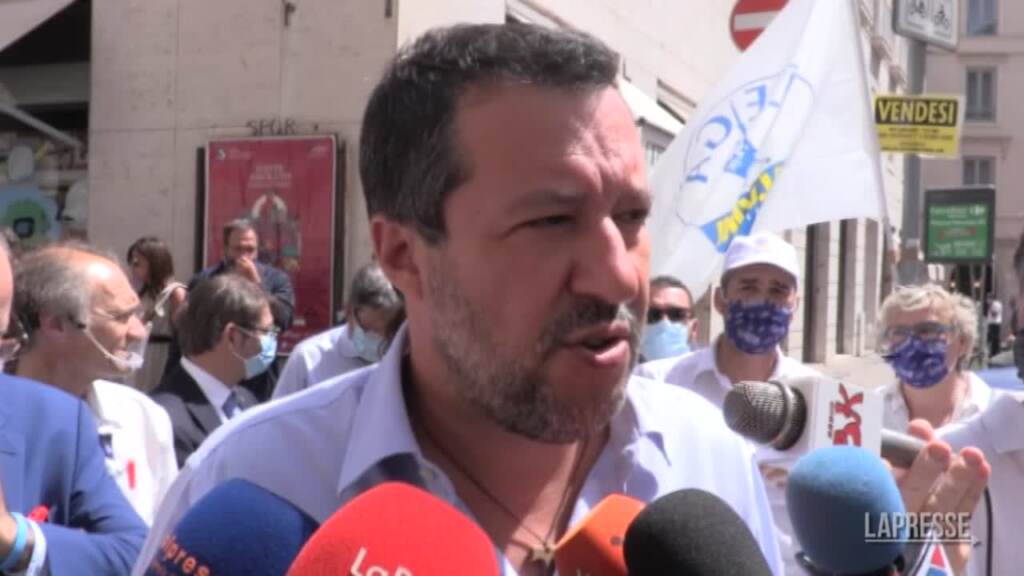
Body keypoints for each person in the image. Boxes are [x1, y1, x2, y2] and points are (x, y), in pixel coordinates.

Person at [137, 24, 785, 576]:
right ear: (401, 254)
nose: (618, 277)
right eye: (551, 221)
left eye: (632, 217)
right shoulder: (254, 483)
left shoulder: (707, 459)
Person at [0, 236, 147, 574]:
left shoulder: (58, 422)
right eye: (119, 316)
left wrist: (16, 541)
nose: (138, 332)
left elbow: (137, 553)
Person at [12, 243, 178, 525]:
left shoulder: (143, 418)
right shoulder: (10, 419)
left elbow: (163, 534)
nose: (138, 332)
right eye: (121, 317)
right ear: (55, 323)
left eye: (136, 315)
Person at [169, 218, 294, 402]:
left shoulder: (276, 280)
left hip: (257, 373)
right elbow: (189, 330)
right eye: (238, 249)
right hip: (214, 370)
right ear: (225, 249)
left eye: (250, 249)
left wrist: (256, 285)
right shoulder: (205, 280)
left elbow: (284, 319)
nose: (244, 256)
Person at [151, 274, 270, 466]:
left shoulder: (246, 400)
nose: (272, 342)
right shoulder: (164, 418)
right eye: (266, 332)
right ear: (233, 336)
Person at [272, 261, 402, 399]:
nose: (380, 340)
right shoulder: (308, 359)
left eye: (390, 332)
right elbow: (279, 411)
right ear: (348, 311)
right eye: (371, 330)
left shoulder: (406, 358)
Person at [878, 284, 994, 432]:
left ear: (962, 342)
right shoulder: (864, 411)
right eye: (899, 332)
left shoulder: (994, 413)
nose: (912, 342)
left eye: (927, 331)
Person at [126, 236, 187, 392]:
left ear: (154, 263)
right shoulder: (141, 293)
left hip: (161, 357)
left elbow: (184, 336)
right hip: (139, 355)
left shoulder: (175, 293)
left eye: (137, 263)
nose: (132, 267)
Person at [638, 275, 698, 363]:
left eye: (676, 314)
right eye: (652, 314)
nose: (664, 323)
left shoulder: (709, 371)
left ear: (694, 328)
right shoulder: (619, 370)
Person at [985, 293, 1003, 358]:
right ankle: (992, 353)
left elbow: (994, 314)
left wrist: (990, 306)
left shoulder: (996, 304)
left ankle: (994, 353)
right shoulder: (992, 304)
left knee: (994, 339)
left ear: (992, 298)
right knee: (990, 339)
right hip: (991, 324)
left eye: (988, 298)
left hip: (995, 324)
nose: (987, 300)